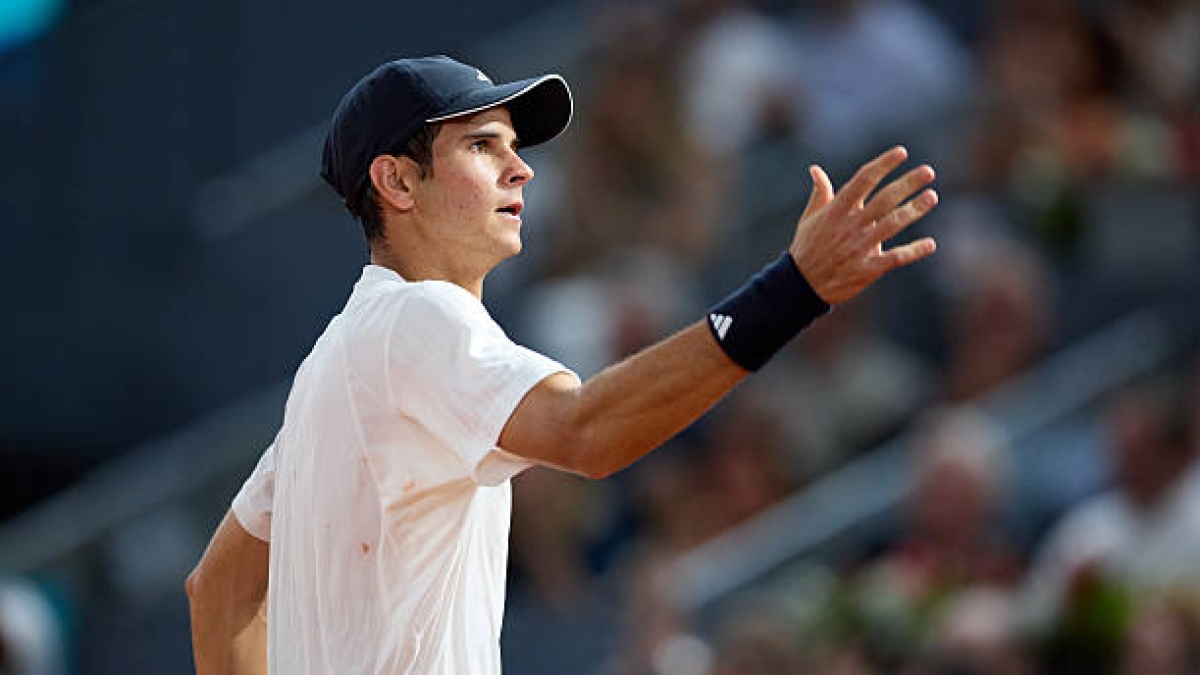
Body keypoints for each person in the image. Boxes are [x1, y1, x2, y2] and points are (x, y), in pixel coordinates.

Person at [184, 54, 939, 674]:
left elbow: (216, 592)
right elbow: (586, 431)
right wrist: (792, 289)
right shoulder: (417, 316)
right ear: (398, 181)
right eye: (482, 145)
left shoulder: (335, 363)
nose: (523, 170)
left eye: (515, 147)